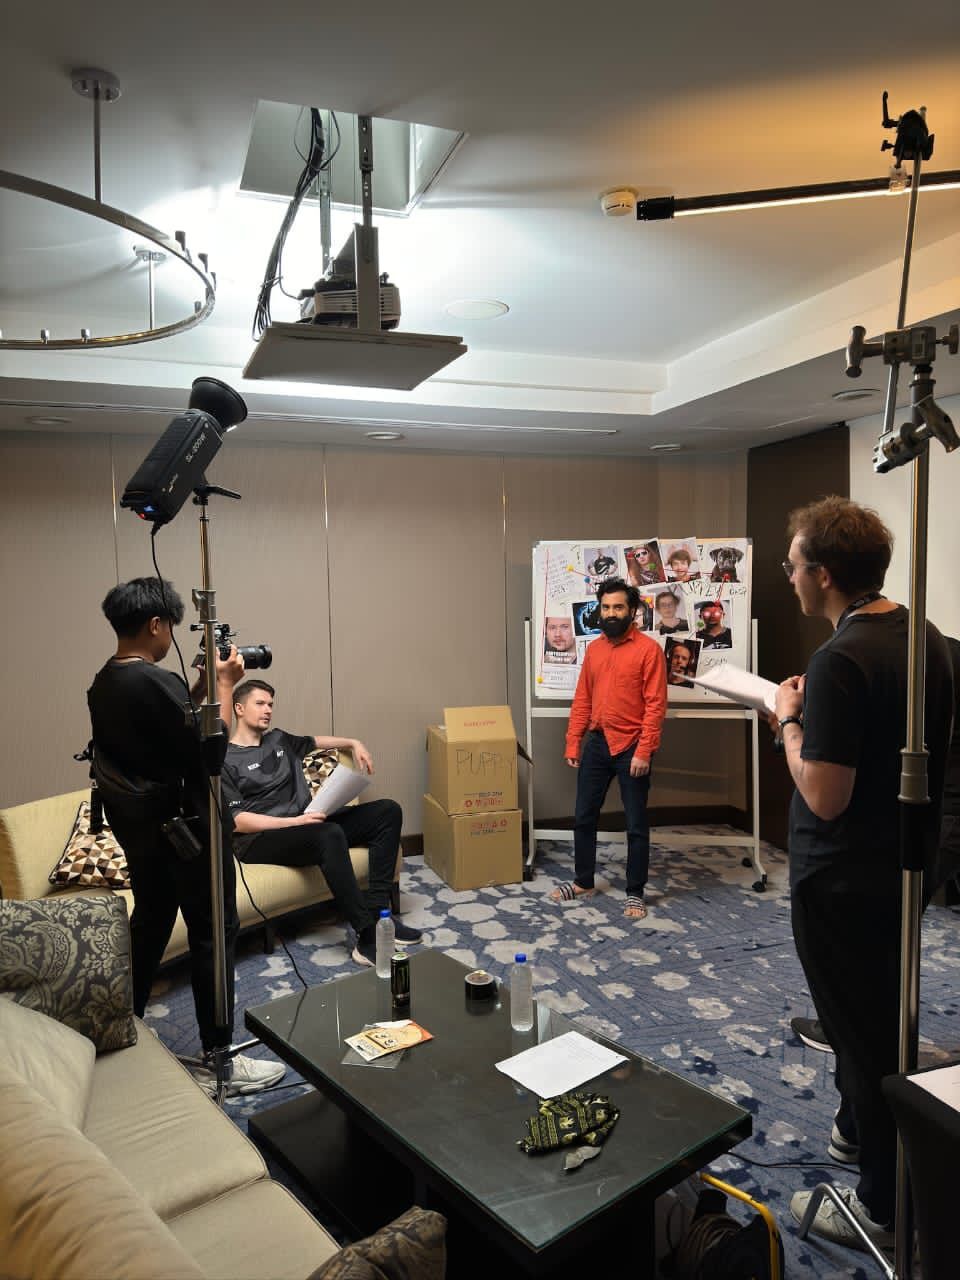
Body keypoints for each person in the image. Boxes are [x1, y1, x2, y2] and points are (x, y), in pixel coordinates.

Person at [771, 497, 953, 1255]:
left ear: (823, 574)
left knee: (863, 1036)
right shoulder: (925, 635)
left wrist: (788, 718)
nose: (787, 576)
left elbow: (824, 794)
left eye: (792, 565)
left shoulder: (838, 660)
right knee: (876, 1013)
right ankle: (853, 1130)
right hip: (902, 869)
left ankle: (880, 1205)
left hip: (839, 882)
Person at [87, 577, 284, 1096]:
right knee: (214, 932)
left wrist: (199, 687)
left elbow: (173, 729)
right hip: (189, 833)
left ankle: (119, 1028)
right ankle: (221, 1060)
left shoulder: (105, 683)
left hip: (145, 832)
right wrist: (225, 686)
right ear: (156, 624)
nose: (169, 636)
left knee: (151, 922)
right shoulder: (153, 681)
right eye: (170, 627)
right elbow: (213, 752)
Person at [221, 680, 422, 966]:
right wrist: (295, 822)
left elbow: (315, 742)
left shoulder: (279, 739)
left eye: (271, 705)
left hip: (307, 824)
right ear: (239, 708)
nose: (268, 710)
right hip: (260, 839)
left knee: (388, 812)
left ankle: (379, 915)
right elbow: (238, 822)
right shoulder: (226, 759)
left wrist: (353, 742)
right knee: (329, 834)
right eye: (260, 703)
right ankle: (366, 936)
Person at [552, 577, 667, 920]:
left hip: (633, 747)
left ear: (632, 611)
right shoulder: (594, 650)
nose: (611, 613)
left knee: (636, 824)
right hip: (598, 744)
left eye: (618, 607)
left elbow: (655, 705)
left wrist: (644, 750)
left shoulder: (648, 650)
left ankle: (635, 892)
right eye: (606, 607)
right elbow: (583, 699)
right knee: (584, 816)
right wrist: (573, 740)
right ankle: (583, 881)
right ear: (599, 611)